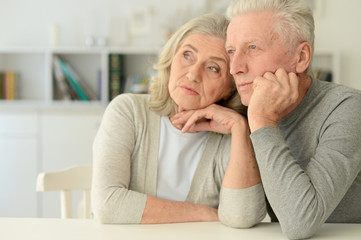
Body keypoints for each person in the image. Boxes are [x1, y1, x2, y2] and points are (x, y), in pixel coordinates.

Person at [174, 0, 361, 239]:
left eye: (252, 47)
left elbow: (299, 223)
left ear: (301, 57)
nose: (235, 68)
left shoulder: (348, 108)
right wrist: (242, 127)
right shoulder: (243, 108)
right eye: (231, 51)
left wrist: (261, 120)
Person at [91, 13, 266, 226]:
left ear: (230, 88)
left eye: (213, 68)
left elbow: (242, 217)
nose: (193, 74)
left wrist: (240, 129)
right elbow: (108, 206)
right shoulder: (128, 111)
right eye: (187, 56)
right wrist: (206, 213)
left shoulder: (231, 135)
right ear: (170, 59)